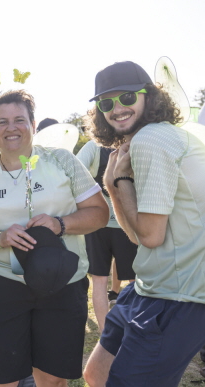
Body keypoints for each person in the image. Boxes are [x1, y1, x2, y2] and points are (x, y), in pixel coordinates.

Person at [82, 61, 205, 387]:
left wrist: (121, 181)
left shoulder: (151, 139)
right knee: (95, 374)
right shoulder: (152, 138)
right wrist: (113, 185)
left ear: (149, 96)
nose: (117, 109)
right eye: (106, 103)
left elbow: (151, 236)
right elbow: (138, 238)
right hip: (149, 288)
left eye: (127, 97)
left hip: (179, 300)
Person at [0, 89, 109, 387]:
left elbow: (99, 213)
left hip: (62, 283)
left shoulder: (62, 160)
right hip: (2, 285)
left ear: (33, 125)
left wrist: (60, 224)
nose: (10, 128)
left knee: (52, 380)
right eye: (2, 122)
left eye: (19, 120)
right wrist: (1, 238)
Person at [76, 140, 136, 332]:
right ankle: (132, 331)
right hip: (125, 221)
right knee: (135, 282)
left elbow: (75, 172)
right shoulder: (134, 143)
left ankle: (105, 333)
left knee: (100, 281)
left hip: (98, 220)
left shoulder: (93, 146)